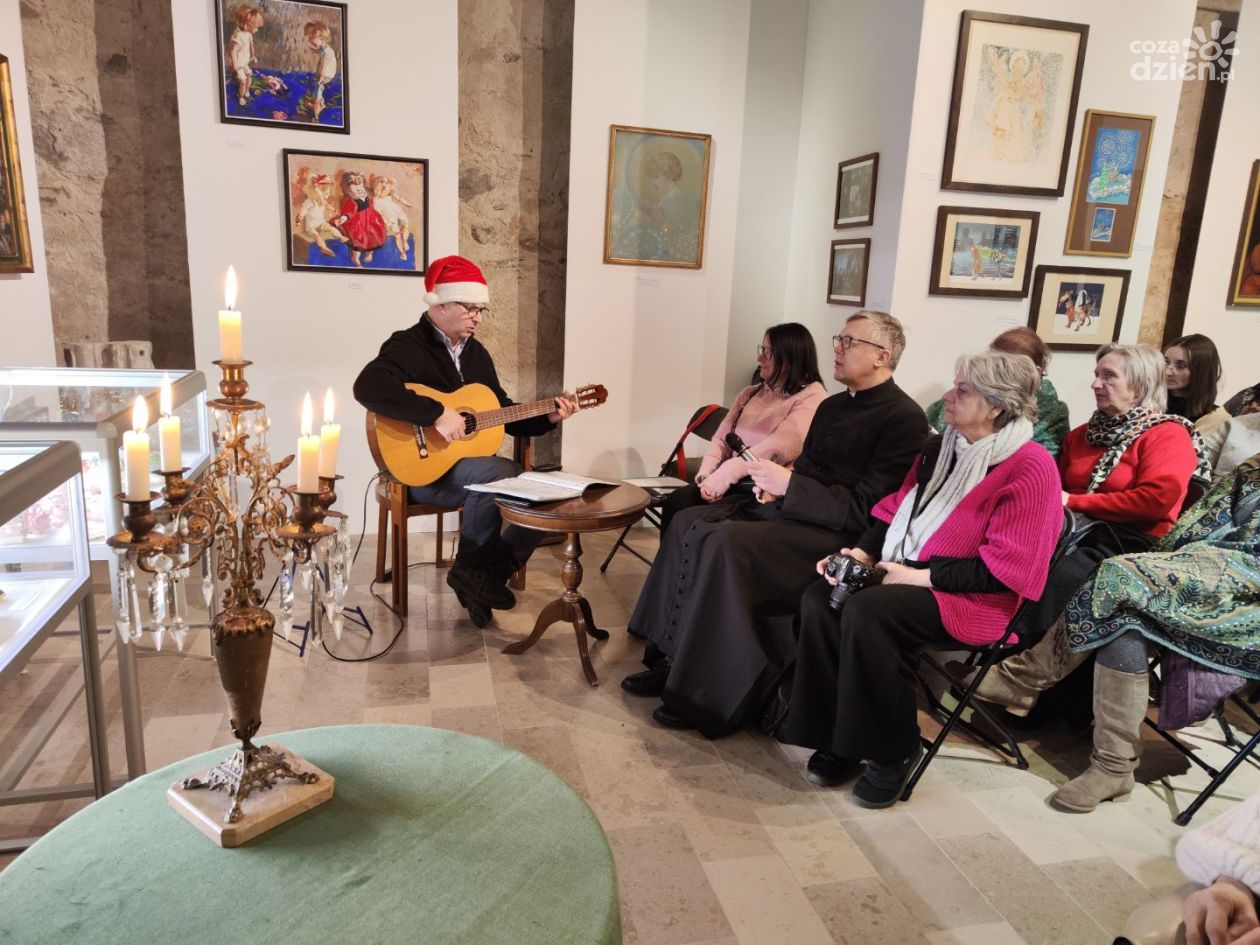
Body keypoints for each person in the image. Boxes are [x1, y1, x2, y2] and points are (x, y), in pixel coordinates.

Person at [620, 311, 930, 737]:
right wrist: (777, 486)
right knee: (689, 521)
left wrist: (791, 488)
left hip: (839, 536)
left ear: (882, 356)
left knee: (724, 544)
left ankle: (704, 696)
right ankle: (670, 658)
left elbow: (870, 509)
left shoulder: (903, 418)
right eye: (838, 340)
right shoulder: (835, 405)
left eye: (848, 343)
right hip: (799, 514)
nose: (836, 350)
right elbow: (813, 471)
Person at [777, 351, 1063, 807]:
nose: (948, 396)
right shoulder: (941, 447)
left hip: (973, 597)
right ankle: (838, 736)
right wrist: (859, 551)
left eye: (962, 390)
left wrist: (918, 576)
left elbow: (1006, 569)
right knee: (820, 596)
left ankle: (895, 750)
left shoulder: (1031, 467)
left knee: (870, 611)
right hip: (907, 568)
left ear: (996, 406)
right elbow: (894, 509)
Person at [960, 343, 1213, 810]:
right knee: (1028, 555)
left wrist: (1074, 503)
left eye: (1109, 376)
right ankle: (1015, 680)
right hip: (1077, 534)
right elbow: (1048, 489)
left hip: (1136, 545)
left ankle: (1015, 676)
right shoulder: (1083, 435)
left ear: (1139, 382)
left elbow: (1156, 501)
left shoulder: (1166, 434)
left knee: (1078, 571)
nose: (1096, 383)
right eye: (1097, 374)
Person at [353, 255, 578, 627]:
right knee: (500, 471)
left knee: (544, 492)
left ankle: (481, 575)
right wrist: (436, 414)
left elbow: (502, 413)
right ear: (440, 305)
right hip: (422, 475)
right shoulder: (408, 345)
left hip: (471, 475)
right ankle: (475, 574)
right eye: (469, 307)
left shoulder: (477, 355)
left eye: (481, 310)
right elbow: (368, 387)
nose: (477, 317)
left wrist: (550, 415)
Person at [1052, 452, 1260, 814]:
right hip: (1210, 587)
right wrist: (1175, 571)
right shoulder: (1255, 468)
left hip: (1249, 611)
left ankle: (1025, 676)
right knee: (1128, 606)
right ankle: (1113, 766)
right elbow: (1196, 528)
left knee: (1122, 577)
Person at [659, 322, 827, 533]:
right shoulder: (750, 393)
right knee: (677, 501)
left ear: (789, 360)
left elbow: (776, 449)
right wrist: (706, 475)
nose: (760, 359)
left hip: (760, 491)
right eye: (761, 350)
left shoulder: (812, 398)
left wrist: (722, 478)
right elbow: (721, 438)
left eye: (767, 352)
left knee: (697, 522)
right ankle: (669, 567)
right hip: (726, 482)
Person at [925, 326, 1070, 455]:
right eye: (992, 364)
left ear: (1036, 372)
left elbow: (1038, 460)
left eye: (1007, 368)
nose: (995, 375)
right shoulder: (961, 395)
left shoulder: (1052, 413)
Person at [1165, 333, 1230, 435]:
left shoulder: (1215, 419)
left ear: (1202, 371)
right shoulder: (1146, 404)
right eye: (1166, 362)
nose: (1167, 372)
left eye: (1181, 366)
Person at [331, 171, 386, 268]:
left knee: (374, 236)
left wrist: (377, 217)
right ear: (347, 189)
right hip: (357, 223)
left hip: (369, 220)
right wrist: (343, 218)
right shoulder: (350, 200)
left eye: (360, 185)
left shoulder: (367, 196)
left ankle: (369, 252)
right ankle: (356, 259)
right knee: (358, 241)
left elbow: (371, 207)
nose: (359, 188)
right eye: (355, 186)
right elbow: (348, 212)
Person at [227, 5, 263, 108]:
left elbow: (251, 46)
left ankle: (247, 91)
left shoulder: (248, 34)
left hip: (245, 62)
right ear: (247, 25)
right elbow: (233, 51)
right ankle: (241, 96)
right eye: (255, 27)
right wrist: (235, 64)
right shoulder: (238, 36)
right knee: (242, 81)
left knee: (249, 75)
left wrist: (253, 55)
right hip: (239, 64)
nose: (256, 30)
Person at [304, 21, 337, 122]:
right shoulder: (326, 48)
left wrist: (321, 76)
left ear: (321, 38)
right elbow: (320, 52)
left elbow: (323, 64)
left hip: (325, 74)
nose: (311, 40)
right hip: (328, 74)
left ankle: (317, 115)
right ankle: (320, 103)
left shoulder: (325, 51)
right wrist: (315, 50)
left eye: (312, 38)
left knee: (317, 90)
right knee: (316, 86)